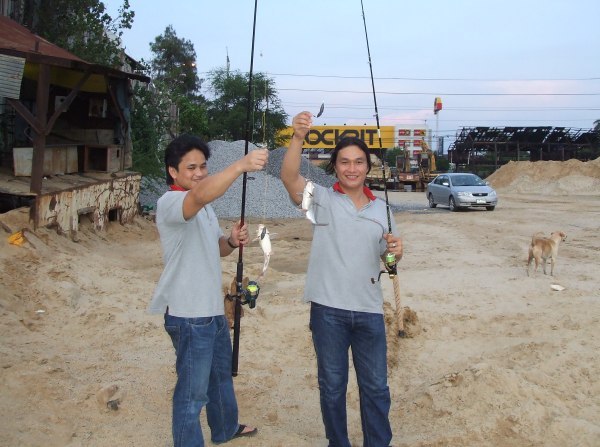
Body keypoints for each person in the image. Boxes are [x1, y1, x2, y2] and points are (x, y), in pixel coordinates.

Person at [280, 112, 403, 447]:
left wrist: (395, 251)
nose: (352, 168)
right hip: (328, 311)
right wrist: (297, 137)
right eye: (345, 162)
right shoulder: (320, 199)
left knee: (376, 387)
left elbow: (388, 260)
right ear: (335, 166)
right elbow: (289, 176)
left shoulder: (383, 210)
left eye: (359, 162)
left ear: (368, 167)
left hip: (369, 312)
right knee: (332, 387)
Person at [148, 134, 268, 447]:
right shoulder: (171, 202)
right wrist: (241, 165)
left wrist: (230, 240)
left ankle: (225, 427)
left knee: (220, 377)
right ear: (173, 172)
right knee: (192, 394)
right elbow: (200, 195)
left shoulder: (203, 209)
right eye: (191, 167)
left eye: (203, 166)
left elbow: (219, 249)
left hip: (212, 312)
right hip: (189, 317)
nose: (199, 172)